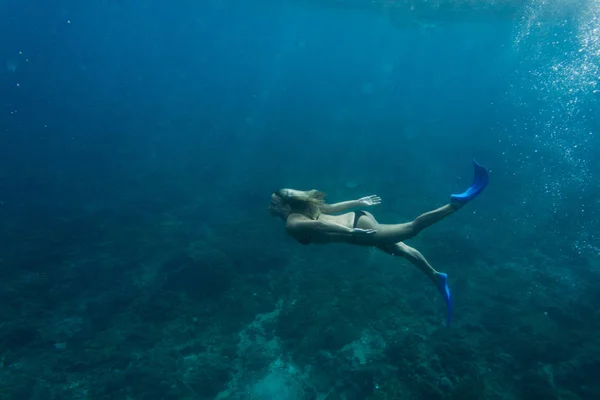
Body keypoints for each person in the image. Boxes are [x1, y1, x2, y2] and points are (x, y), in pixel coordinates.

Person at [268, 160, 489, 326]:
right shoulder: (302, 210)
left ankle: (455, 204)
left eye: (274, 204)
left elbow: (319, 227)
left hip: (359, 231)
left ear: (285, 206)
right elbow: (331, 209)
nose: (270, 207)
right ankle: (436, 277)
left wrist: (351, 231)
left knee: (411, 229)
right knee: (399, 249)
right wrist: (357, 202)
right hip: (358, 222)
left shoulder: (292, 222)